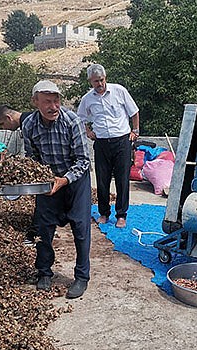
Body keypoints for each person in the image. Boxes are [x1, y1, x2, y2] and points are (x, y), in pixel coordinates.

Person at [0, 80, 92, 299]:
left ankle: (82, 277)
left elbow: (83, 160)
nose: (53, 106)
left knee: (80, 228)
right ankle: (44, 273)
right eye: (47, 101)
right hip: (48, 182)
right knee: (42, 229)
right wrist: (29, 179)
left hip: (75, 181)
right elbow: (33, 158)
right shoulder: (29, 126)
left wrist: (63, 180)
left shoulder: (72, 122)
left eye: (56, 101)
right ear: (35, 102)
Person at [77, 64, 140, 228]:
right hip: (102, 142)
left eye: (102, 80)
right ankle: (103, 213)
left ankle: (121, 215)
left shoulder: (119, 91)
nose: (100, 84)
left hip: (121, 141)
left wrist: (135, 131)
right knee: (102, 179)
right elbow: (80, 118)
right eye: (96, 81)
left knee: (122, 179)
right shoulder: (87, 99)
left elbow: (134, 112)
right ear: (90, 81)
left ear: (106, 78)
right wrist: (88, 132)